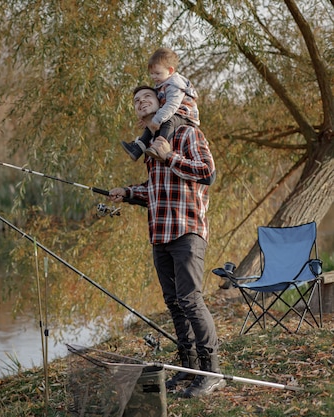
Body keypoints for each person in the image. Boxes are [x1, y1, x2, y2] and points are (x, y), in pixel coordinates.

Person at [108, 85, 225, 398]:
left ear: (162, 103)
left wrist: (170, 155)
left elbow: (208, 173)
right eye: (135, 100)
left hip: (187, 231)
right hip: (160, 234)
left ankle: (211, 372)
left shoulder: (187, 134)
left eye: (147, 97)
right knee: (174, 304)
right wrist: (129, 192)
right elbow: (156, 190)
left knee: (190, 300)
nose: (140, 102)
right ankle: (187, 369)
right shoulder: (149, 148)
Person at [121, 47, 199, 162]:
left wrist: (157, 119)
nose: (153, 77)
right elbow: (158, 104)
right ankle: (137, 149)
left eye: (157, 73)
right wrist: (148, 120)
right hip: (173, 113)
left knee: (167, 120)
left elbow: (172, 105)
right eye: (151, 74)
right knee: (152, 124)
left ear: (170, 71)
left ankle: (160, 147)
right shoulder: (162, 82)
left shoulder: (174, 85)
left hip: (185, 116)